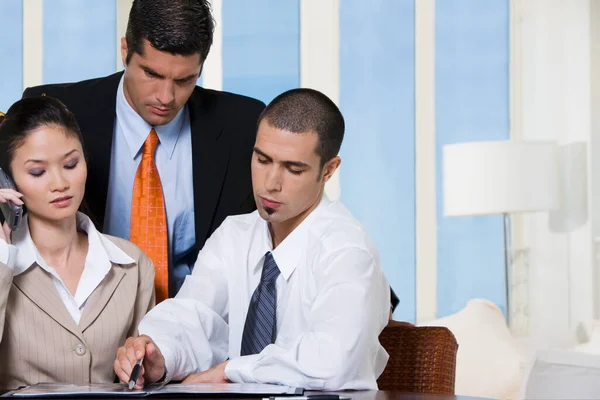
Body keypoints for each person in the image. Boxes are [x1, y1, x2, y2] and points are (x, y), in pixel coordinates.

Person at [113, 88, 391, 391]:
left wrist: (231, 372)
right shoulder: (235, 234)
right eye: (262, 160)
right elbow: (193, 313)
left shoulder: (346, 250)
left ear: (329, 170)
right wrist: (158, 353)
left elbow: (331, 363)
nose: (271, 184)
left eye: (293, 169)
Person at [22, 0, 265, 302]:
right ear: (125, 52)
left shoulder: (242, 125)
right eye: (152, 74)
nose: (166, 97)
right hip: (79, 321)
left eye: (184, 80)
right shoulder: (57, 110)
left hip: (195, 329)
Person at [0, 97, 155, 390]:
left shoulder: (133, 264)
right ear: (7, 181)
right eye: (38, 172)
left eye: (71, 164)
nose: (60, 182)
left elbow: (142, 377)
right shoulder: (3, 263)